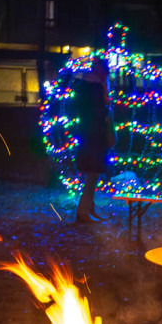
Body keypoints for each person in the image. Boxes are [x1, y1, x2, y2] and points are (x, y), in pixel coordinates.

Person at [72, 58, 112, 224]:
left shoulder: (86, 84)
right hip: (94, 136)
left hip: (88, 134)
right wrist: (106, 114)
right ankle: (83, 212)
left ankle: (89, 208)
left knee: (92, 174)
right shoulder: (95, 86)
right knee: (92, 173)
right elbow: (97, 111)